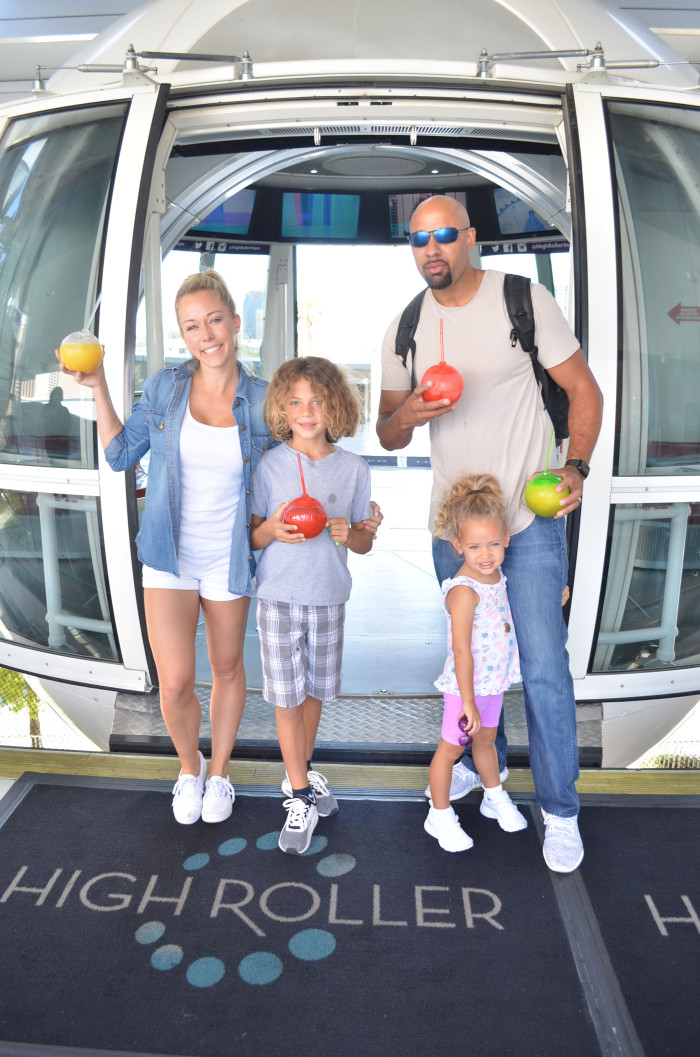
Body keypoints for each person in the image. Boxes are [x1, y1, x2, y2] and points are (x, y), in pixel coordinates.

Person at [377, 195, 603, 873]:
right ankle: (488, 767)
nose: (432, 249)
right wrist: (415, 407)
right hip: (453, 531)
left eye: (445, 234)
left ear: (470, 237)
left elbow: (584, 391)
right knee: (479, 664)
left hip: (526, 524)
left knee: (540, 669)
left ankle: (560, 809)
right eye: (419, 239)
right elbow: (386, 431)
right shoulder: (406, 326)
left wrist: (577, 464)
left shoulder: (521, 299)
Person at [57, 270, 273, 826]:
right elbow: (119, 455)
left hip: (229, 557)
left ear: (234, 321)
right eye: (192, 326)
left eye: (215, 320)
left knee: (226, 670)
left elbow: (291, 466)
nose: (207, 335)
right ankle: (189, 767)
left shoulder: (264, 401)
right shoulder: (163, 388)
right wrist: (102, 385)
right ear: (184, 335)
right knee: (174, 683)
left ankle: (221, 773)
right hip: (169, 555)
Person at [251, 357, 379, 855]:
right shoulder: (270, 465)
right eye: (296, 402)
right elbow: (254, 535)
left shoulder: (354, 470)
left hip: (329, 597)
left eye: (317, 401)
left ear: (335, 406)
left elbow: (365, 544)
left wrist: (356, 533)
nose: (307, 412)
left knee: (314, 694)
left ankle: (299, 772)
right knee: (286, 697)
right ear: (283, 407)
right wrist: (272, 530)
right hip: (278, 597)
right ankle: (299, 792)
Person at [426, 474, 527, 852]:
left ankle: (493, 796)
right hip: (465, 690)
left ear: (507, 540)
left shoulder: (497, 576)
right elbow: (462, 651)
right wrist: (467, 701)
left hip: (492, 683)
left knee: (485, 741)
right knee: (450, 751)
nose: (486, 554)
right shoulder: (464, 591)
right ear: (457, 545)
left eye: (494, 544)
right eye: (474, 546)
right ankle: (439, 814)